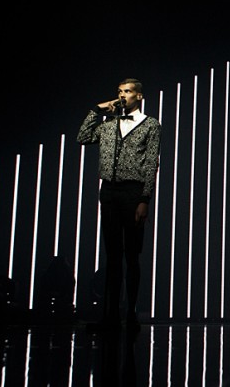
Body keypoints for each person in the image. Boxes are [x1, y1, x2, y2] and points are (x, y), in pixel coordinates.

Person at [77, 78, 161, 332]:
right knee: (112, 255)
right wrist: (96, 109)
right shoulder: (108, 125)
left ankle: (131, 312)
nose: (122, 96)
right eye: (119, 92)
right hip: (110, 191)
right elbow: (82, 137)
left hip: (133, 191)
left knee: (132, 255)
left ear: (139, 96)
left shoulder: (151, 125)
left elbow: (151, 165)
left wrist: (145, 199)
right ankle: (111, 314)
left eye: (127, 92)